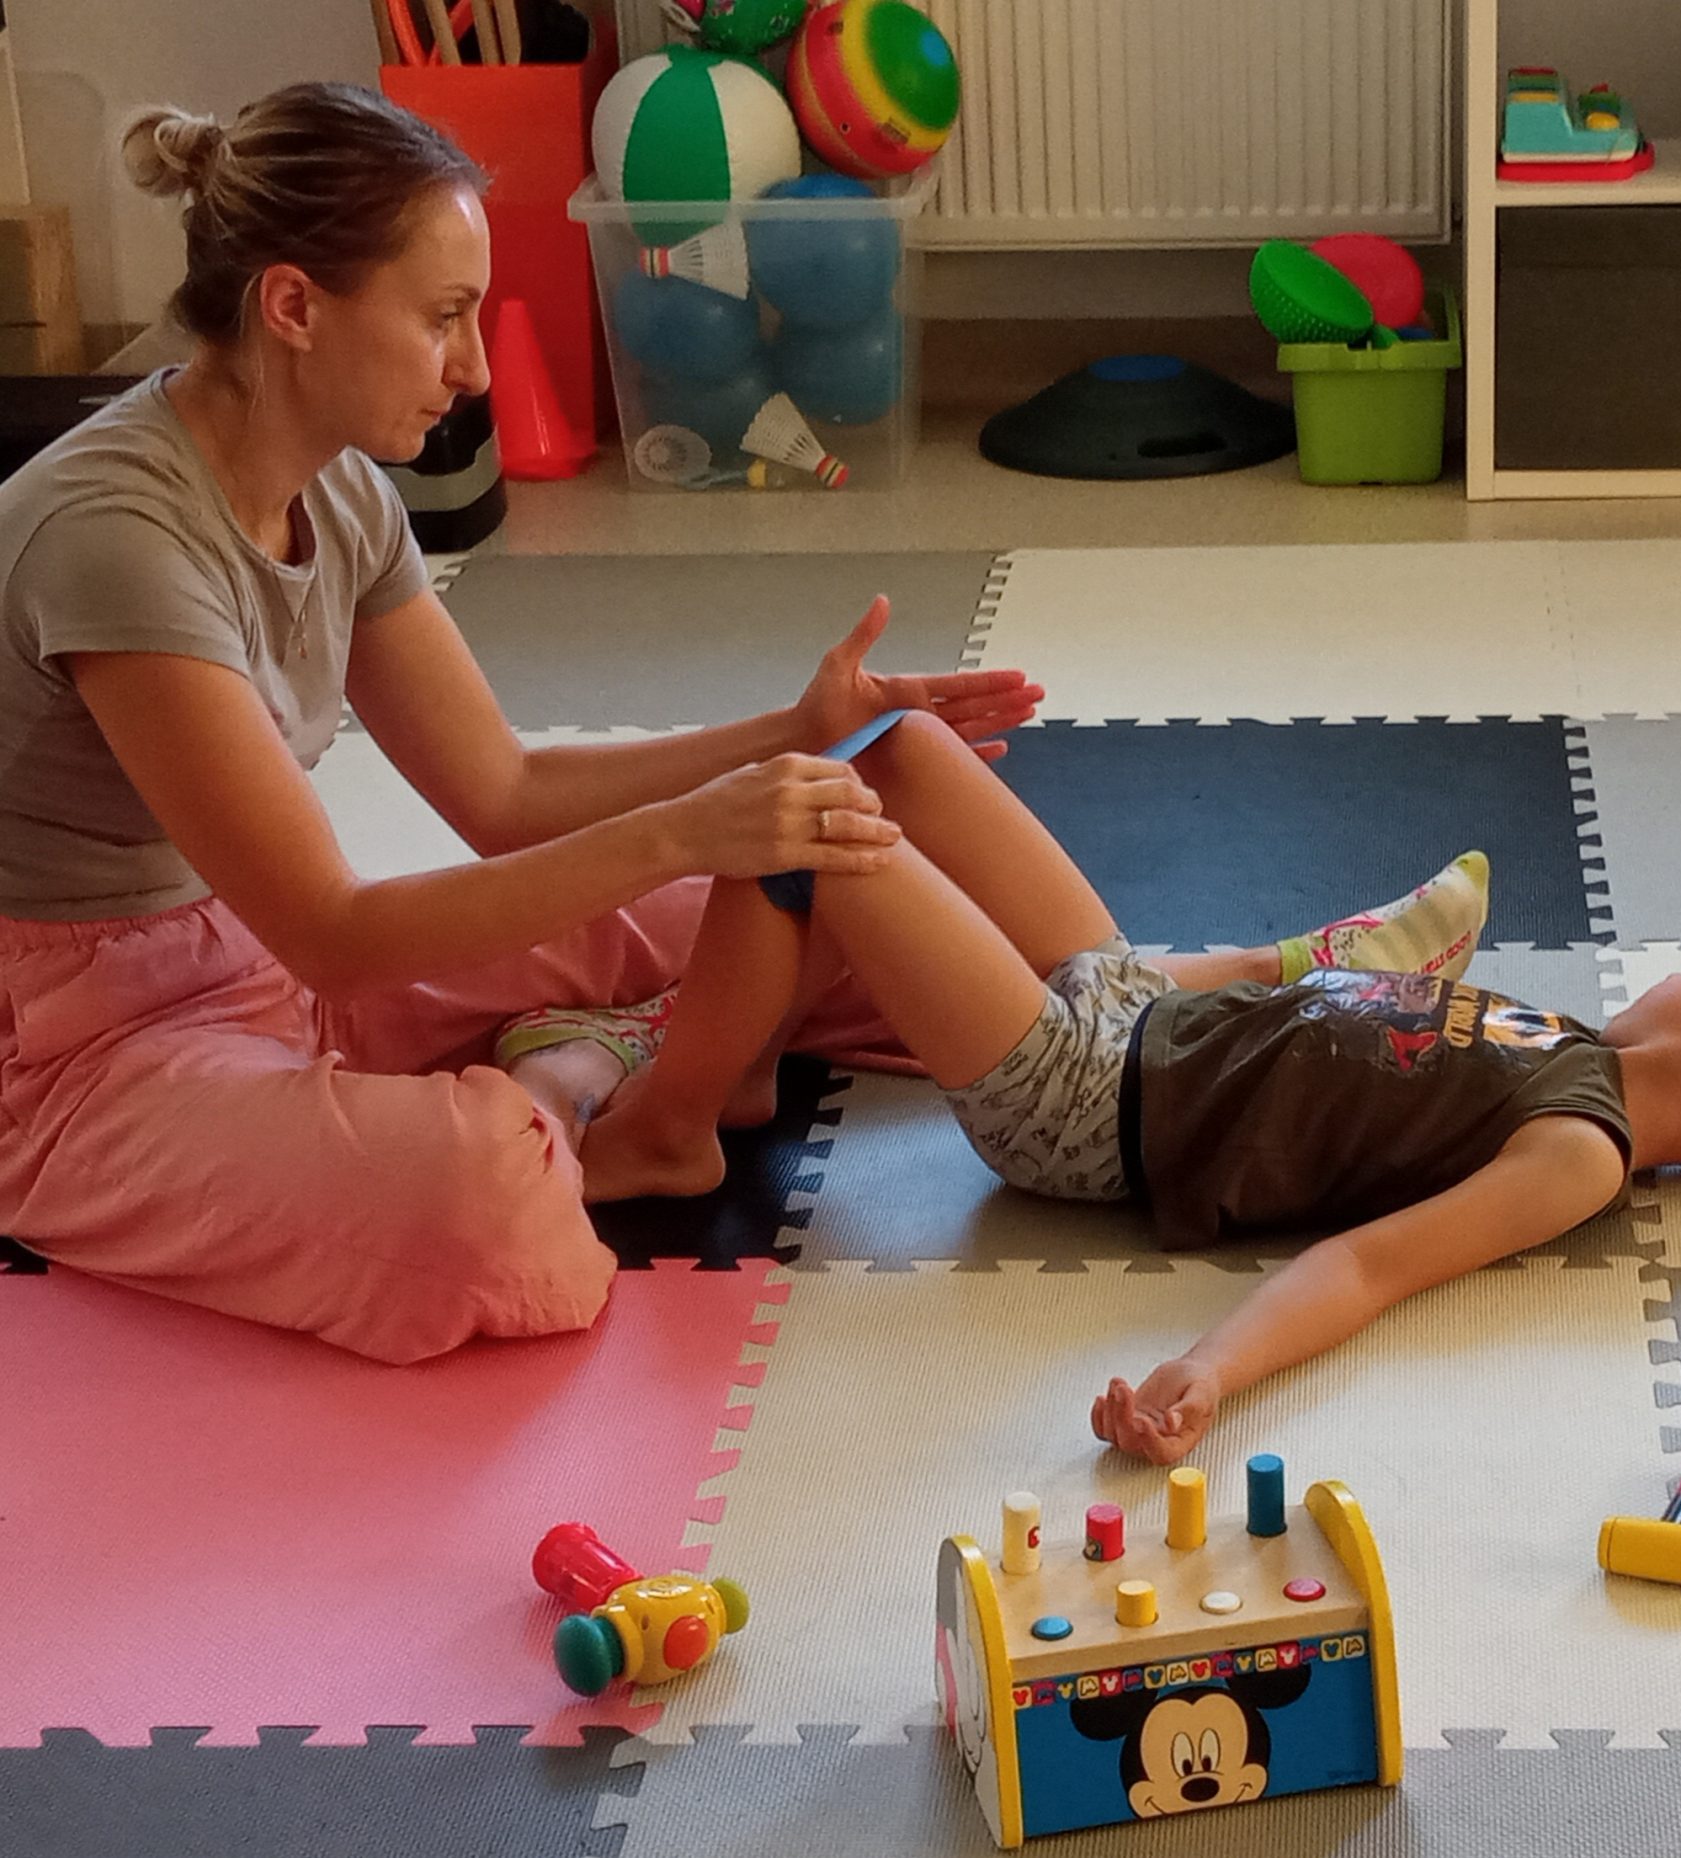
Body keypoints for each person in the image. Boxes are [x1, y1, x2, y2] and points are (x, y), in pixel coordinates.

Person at [0, 83, 1044, 1365]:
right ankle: (586, 1084)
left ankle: (649, 1061)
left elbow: (504, 795)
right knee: (487, 1199)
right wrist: (686, 832)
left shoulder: (342, 494)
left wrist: (789, 730)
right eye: (443, 317)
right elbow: (336, 936)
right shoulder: (115, 537)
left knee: (815, 882)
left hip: (264, 960)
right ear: (293, 307)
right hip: (80, 1055)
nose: (476, 368)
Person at [582, 710, 1681, 1463]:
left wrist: (1209, 1372)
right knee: (898, 750)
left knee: (808, 827)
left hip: (1085, 1101)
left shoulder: (1580, 1149)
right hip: (1137, 1004)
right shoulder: (1573, 1043)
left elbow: (1366, 1265)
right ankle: (741, 1048)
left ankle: (671, 1126)